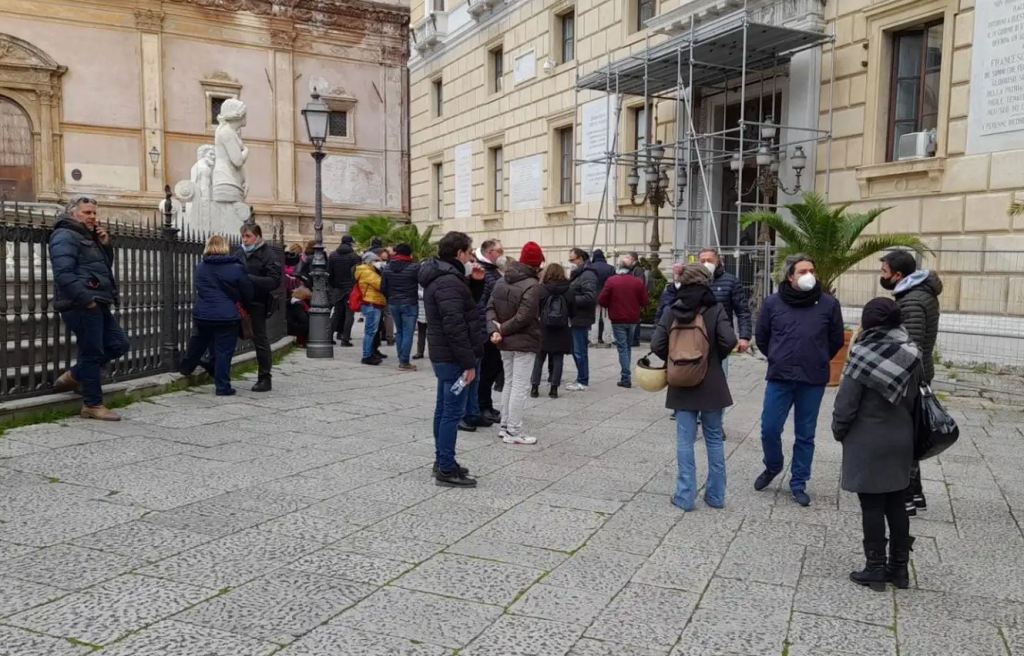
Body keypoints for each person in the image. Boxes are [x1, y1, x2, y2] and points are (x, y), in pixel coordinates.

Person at [832, 298, 921, 591]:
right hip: (901, 438)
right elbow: (917, 397)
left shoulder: (863, 353)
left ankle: (875, 568)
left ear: (869, 322)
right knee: (897, 503)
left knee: (871, 505)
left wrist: (839, 429)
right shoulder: (911, 353)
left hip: (867, 440)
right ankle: (900, 570)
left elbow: (847, 403)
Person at [754, 253, 844, 506]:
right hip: (780, 376)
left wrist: (817, 356)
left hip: (812, 378)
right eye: (803, 271)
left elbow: (836, 339)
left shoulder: (828, 304)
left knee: (805, 434)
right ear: (790, 276)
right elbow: (762, 336)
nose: (809, 276)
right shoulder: (773, 303)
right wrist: (776, 355)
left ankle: (799, 482)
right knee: (769, 428)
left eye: (811, 271)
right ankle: (773, 466)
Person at [651, 264, 737, 511]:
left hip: (681, 381)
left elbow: (657, 343)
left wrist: (677, 358)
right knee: (713, 438)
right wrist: (711, 358)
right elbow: (729, 339)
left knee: (685, 440)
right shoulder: (715, 308)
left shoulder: (671, 309)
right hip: (711, 381)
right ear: (706, 282)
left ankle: (685, 495)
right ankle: (716, 496)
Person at [50, 195, 130, 420]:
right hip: (80, 303)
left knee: (119, 344)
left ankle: (74, 375)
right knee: (92, 352)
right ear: (72, 213)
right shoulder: (65, 235)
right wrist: (87, 299)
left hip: (97, 301)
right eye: (87, 212)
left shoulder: (87, 237)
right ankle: (92, 405)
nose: (93, 217)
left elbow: (100, 268)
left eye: (94, 212)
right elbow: (63, 274)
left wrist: (105, 247)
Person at [419, 231, 485, 487]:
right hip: (453, 356)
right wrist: (468, 363)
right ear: (459, 253)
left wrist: (476, 284)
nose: (471, 257)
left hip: (445, 353)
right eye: (470, 252)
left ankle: (442, 461)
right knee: (451, 413)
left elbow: (463, 310)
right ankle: (446, 467)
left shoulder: (448, 278)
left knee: (444, 409)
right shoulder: (449, 281)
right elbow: (455, 324)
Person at [880, 250, 943, 516]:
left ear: (899, 275)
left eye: (885, 272)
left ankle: (904, 497)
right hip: (918, 373)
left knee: (901, 438)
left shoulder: (912, 302)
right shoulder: (916, 295)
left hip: (909, 377)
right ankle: (914, 494)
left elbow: (911, 347)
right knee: (908, 436)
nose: (881, 276)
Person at [179, 235, 253, 395]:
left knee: (200, 341)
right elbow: (247, 291)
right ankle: (222, 386)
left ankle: (186, 367)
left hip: (203, 313)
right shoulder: (236, 267)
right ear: (225, 248)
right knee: (224, 351)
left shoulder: (200, 267)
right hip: (227, 316)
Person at [487, 242, 544, 445]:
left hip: (504, 341)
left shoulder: (502, 280)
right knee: (519, 385)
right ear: (537, 263)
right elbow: (524, 316)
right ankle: (513, 430)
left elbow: (490, 307)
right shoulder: (532, 285)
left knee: (509, 383)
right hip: (523, 340)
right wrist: (500, 329)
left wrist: (495, 330)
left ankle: (505, 426)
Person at [235, 222, 282, 392]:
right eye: (243, 236)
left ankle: (264, 378)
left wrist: (250, 279)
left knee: (260, 339)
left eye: (248, 236)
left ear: (258, 237)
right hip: (238, 301)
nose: (245, 240)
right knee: (228, 332)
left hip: (257, 303)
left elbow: (275, 280)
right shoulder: (239, 252)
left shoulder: (267, 254)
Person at [598, 257, 650, 388]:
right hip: (633, 318)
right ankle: (625, 374)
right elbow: (645, 301)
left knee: (622, 348)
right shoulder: (637, 282)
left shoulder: (612, 281)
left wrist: (609, 304)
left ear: (618, 267)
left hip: (617, 318)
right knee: (627, 346)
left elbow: (602, 299)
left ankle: (626, 377)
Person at [474, 239, 507, 423]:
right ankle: (481, 406)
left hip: (494, 325)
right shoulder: (484, 272)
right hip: (486, 328)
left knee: (492, 369)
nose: (501, 254)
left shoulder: (493, 271)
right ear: (488, 252)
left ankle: (486, 405)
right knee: (486, 370)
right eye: (498, 251)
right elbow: (483, 303)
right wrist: (488, 328)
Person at [532, 263, 573, 399]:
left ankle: (534, 387)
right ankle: (554, 389)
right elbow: (573, 310)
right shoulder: (568, 289)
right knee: (558, 358)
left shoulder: (541, 289)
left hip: (543, 327)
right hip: (561, 328)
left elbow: (535, 308)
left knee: (539, 358)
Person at [382, 243, 421, 371]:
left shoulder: (387, 268)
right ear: (409, 254)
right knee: (408, 333)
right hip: (410, 303)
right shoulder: (414, 267)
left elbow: (383, 288)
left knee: (399, 331)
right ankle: (404, 362)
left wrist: (391, 297)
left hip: (393, 303)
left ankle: (401, 358)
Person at [566, 248, 598, 392]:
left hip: (581, 317)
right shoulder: (580, 274)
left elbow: (590, 297)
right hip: (576, 316)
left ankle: (583, 380)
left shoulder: (588, 275)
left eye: (572, 260)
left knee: (580, 350)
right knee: (576, 350)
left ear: (580, 259)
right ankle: (581, 377)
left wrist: (570, 300)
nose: (571, 263)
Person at [354, 251, 387, 365]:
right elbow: (380, 284)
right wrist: (383, 271)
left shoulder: (368, 270)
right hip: (371, 302)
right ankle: (367, 355)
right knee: (370, 331)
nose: (379, 263)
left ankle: (370, 352)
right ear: (370, 262)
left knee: (372, 330)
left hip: (373, 302)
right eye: (376, 261)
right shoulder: (366, 271)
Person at [328, 235, 360, 347]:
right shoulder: (354, 256)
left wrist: (334, 286)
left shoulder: (332, 255)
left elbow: (329, 273)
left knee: (336, 313)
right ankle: (345, 339)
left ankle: (329, 337)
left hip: (337, 288)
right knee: (349, 315)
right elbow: (357, 274)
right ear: (350, 243)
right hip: (350, 289)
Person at [591, 249, 615, 343]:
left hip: (594, 296)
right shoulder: (610, 268)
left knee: (594, 319)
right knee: (607, 319)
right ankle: (608, 339)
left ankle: (594, 339)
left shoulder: (590, 267)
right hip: (607, 296)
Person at [414, 285, 428, 360]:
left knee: (431, 334)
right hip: (421, 310)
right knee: (421, 332)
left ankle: (421, 352)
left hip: (429, 310)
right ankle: (420, 352)